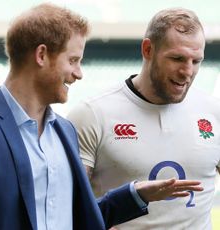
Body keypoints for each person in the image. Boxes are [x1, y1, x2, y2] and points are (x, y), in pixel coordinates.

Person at [0, 3, 204, 230]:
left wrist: (134, 195)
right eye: (73, 60)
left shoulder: (64, 131)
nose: (79, 73)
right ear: (41, 55)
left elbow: (80, 218)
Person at [68, 7, 220, 230]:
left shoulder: (213, 111)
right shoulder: (92, 114)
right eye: (177, 58)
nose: (187, 71)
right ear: (148, 49)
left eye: (196, 61)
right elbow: (67, 208)